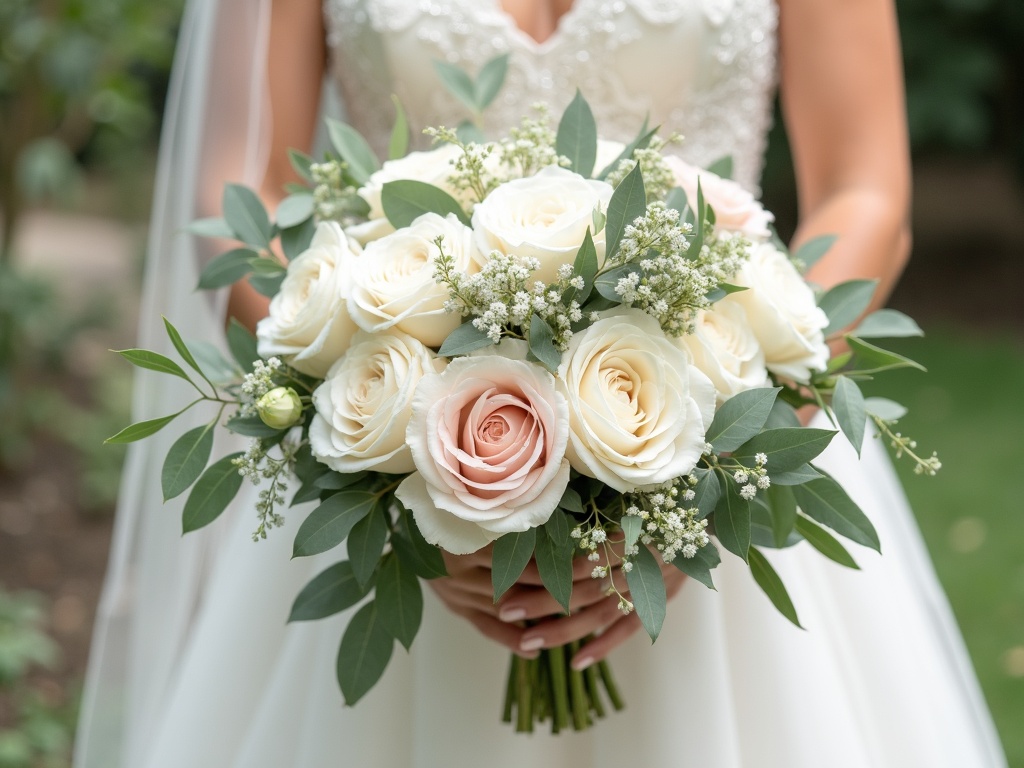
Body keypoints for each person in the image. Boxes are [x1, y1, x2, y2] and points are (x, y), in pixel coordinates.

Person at [74, 0, 1008, 766]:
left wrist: (723, 457)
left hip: (722, 443)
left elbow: (866, 187)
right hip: (400, 497)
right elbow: (236, 198)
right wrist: (410, 468)